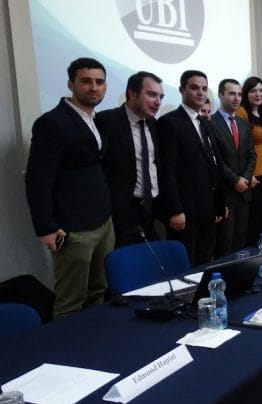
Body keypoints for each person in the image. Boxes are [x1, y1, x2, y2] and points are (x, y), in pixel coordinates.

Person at [25, 57, 115, 316]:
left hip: (103, 222)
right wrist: (45, 227)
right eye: (86, 81)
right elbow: (38, 178)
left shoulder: (96, 121)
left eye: (99, 82)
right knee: (71, 300)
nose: (94, 88)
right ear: (70, 84)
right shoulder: (52, 122)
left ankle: (95, 336)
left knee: (98, 291)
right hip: (73, 228)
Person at [158, 70, 226, 265]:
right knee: (184, 263)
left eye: (204, 88)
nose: (200, 93)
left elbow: (215, 164)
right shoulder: (170, 123)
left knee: (204, 260)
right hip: (184, 211)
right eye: (194, 88)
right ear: (182, 90)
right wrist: (175, 209)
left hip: (208, 207)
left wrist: (220, 203)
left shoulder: (205, 123)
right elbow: (167, 171)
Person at [95, 71, 163, 247]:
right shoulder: (106, 121)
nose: (158, 102)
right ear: (132, 93)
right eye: (152, 94)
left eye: (161, 97)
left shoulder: (153, 124)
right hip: (120, 213)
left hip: (150, 209)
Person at [210, 79, 255, 257]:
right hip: (225, 193)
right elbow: (215, 159)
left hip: (244, 192)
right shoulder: (210, 123)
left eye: (239, 94)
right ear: (221, 95)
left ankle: (238, 274)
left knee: (240, 242)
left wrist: (246, 178)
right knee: (224, 243)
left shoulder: (244, 124)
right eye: (231, 94)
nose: (236, 98)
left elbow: (252, 155)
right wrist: (235, 180)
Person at [236, 76, 262, 244]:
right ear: (246, 93)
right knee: (253, 217)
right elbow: (239, 146)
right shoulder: (241, 112)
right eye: (253, 91)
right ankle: (252, 253)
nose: (258, 94)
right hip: (253, 174)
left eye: (261, 90)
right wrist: (248, 173)